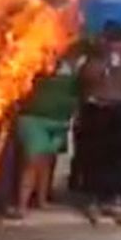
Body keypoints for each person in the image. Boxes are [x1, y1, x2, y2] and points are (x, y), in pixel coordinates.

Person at [76, 24, 121, 225]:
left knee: (120, 158)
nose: (118, 46)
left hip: (119, 110)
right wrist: (107, 65)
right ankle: (93, 200)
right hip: (97, 111)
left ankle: (114, 199)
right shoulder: (93, 61)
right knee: (96, 157)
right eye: (114, 42)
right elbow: (87, 80)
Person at [15, 59, 77, 218]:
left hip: (59, 122)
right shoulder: (31, 69)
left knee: (46, 162)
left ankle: (42, 201)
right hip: (34, 120)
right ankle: (22, 206)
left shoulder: (71, 71)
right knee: (32, 162)